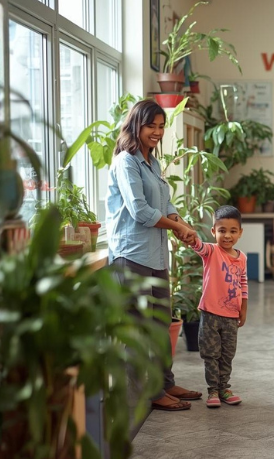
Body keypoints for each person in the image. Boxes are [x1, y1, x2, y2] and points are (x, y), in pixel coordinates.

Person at [106, 99, 201, 411]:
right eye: (151, 126)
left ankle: (165, 383)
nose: (157, 132)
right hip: (131, 256)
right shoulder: (126, 162)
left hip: (156, 256)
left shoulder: (153, 162)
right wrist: (176, 227)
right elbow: (140, 211)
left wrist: (182, 224)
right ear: (137, 125)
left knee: (160, 325)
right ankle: (145, 395)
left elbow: (164, 205)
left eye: (161, 126)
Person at [186, 205, 248, 408]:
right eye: (222, 230)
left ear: (240, 232)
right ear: (213, 231)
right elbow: (198, 245)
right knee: (211, 354)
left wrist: (243, 309)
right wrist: (189, 235)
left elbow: (243, 283)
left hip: (231, 315)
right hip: (210, 314)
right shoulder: (211, 251)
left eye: (232, 231)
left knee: (227, 354)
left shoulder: (242, 257)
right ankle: (212, 390)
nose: (227, 235)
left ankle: (224, 388)